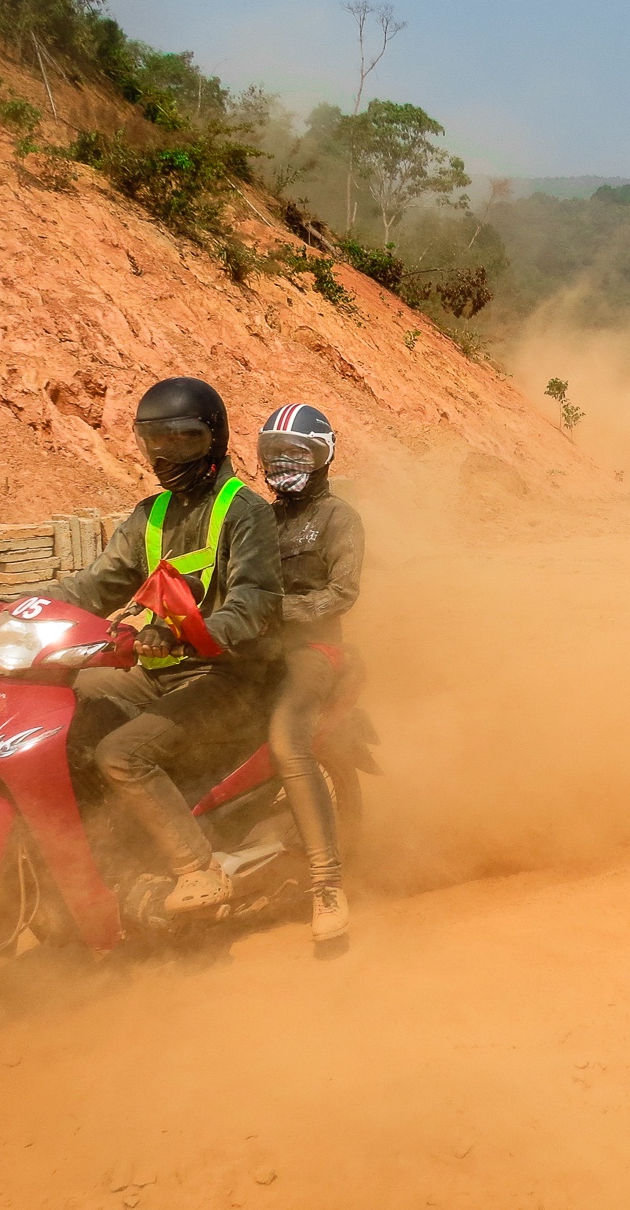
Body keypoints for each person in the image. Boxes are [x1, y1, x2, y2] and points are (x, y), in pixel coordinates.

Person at [45, 377, 282, 915]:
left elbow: (254, 604)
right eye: (155, 440)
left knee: (121, 754)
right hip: (159, 670)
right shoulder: (149, 515)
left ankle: (196, 869)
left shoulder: (246, 512)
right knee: (67, 708)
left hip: (228, 677)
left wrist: (181, 632)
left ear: (214, 439)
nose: (166, 454)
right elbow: (94, 585)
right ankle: (104, 844)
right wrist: (15, 603)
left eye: (182, 439)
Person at [257, 403, 365, 944]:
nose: (283, 464)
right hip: (255, 647)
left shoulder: (339, 518)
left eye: (295, 454)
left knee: (286, 738)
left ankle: (326, 884)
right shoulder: (261, 518)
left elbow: (342, 592)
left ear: (322, 457)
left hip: (315, 650)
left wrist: (277, 612)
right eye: (274, 454)